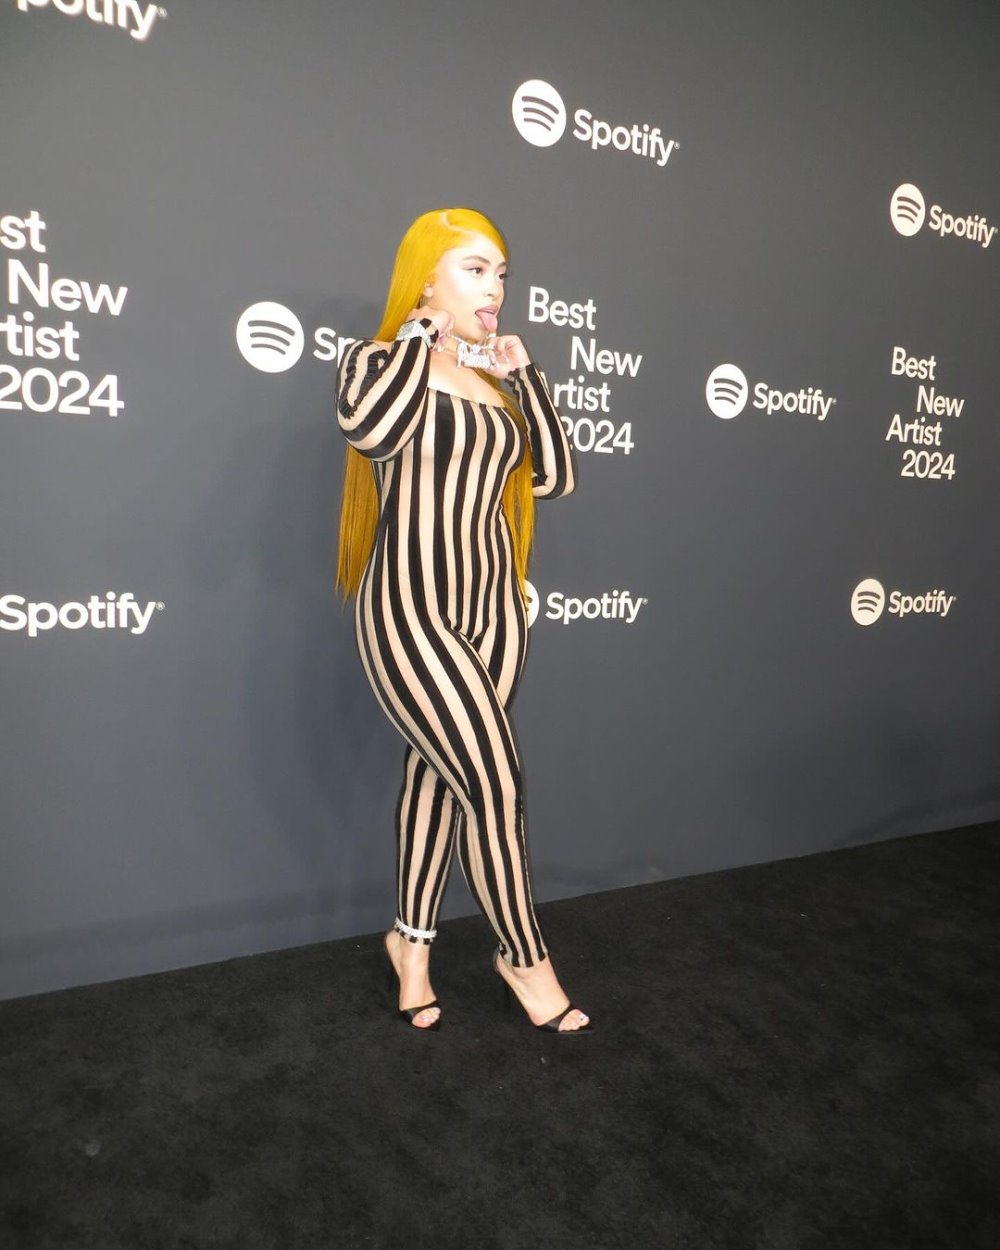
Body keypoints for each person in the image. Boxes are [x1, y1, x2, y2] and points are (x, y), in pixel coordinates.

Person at [335, 207, 592, 1034]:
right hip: (409, 611)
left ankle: (409, 947)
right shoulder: (378, 360)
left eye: (502, 273)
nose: (496, 288)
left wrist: (525, 377)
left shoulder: (492, 383)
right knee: (494, 781)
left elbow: (553, 478)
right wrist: (421, 334)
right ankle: (524, 957)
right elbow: (373, 430)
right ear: (426, 278)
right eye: (475, 269)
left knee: (443, 777)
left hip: (495, 614)